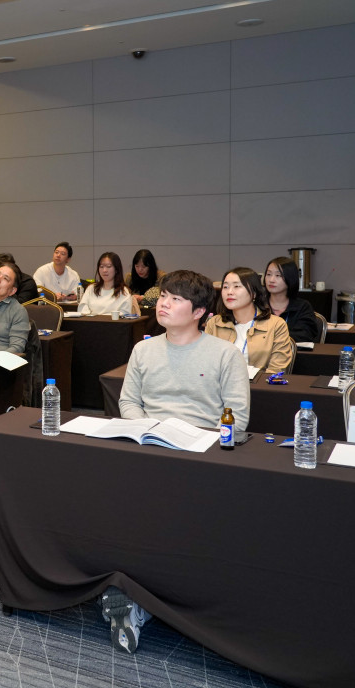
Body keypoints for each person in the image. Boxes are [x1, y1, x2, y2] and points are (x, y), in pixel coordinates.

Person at [112, 270, 250, 654]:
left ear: (200, 311)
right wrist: (147, 429)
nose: (163, 304)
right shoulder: (143, 349)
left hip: (198, 456)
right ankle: (132, 592)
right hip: (148, 446)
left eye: (174, 299)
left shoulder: (224, 354)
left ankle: (155, 600)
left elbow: (236, 421)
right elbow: (128, 403)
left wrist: (193, 440)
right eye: (163, 297)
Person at [204, 267, 294, 375]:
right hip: (219, 387)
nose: (229, 292)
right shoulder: (214, 323)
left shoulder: (276, 325)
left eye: (237, 286)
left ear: (254, 293)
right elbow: (205, 363)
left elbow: (277, 369)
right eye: (225, 287)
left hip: (258, 388)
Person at [264, 256, 318, 343]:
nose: (271, 280)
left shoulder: (302, 307)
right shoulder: (258, 305)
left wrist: (271, 336)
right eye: (268, 274)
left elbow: (305, 335)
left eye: (278, 275)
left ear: (290, 278)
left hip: (294, 355)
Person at [77, 252, 139, 316]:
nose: (104, 270)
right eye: (101, 267)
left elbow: (124, 315)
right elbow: (82, 308)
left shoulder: (124, 292)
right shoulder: (91, 288)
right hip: (91, 324)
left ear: (116, 269)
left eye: (108, 267)